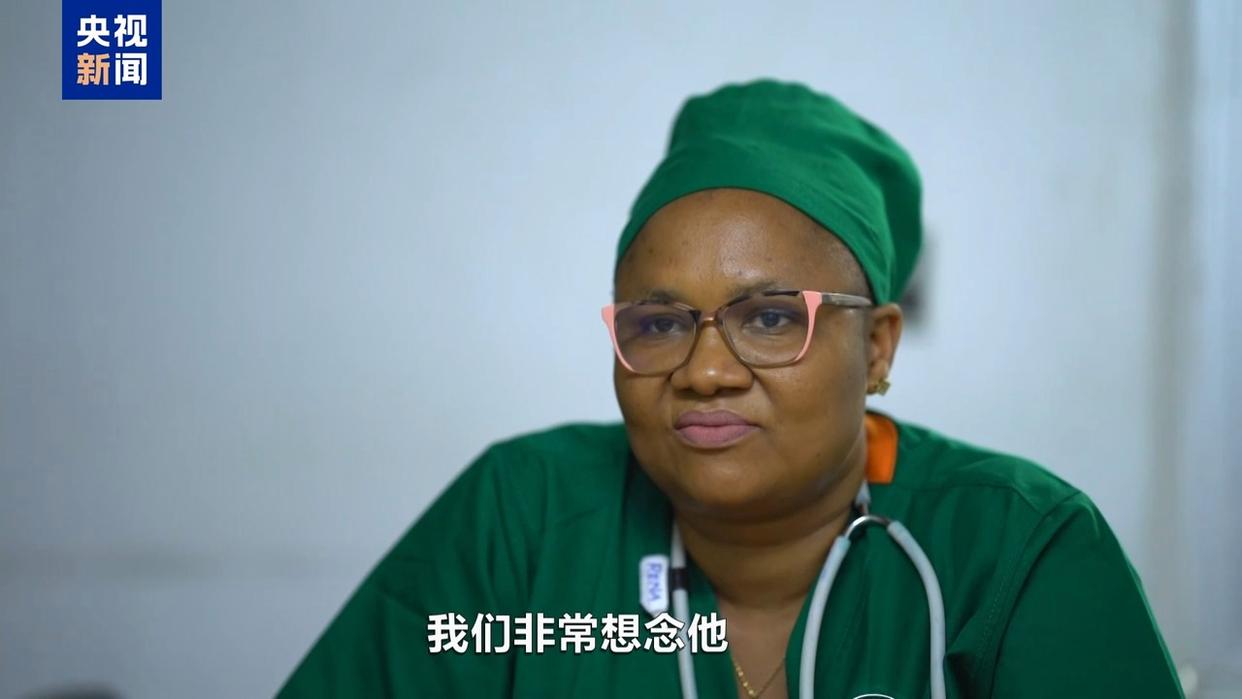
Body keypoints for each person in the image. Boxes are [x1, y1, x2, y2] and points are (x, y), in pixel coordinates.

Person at [278, 79, 1184, 698]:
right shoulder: (525, 519)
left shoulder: (1016, 546)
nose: (705, 371)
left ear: (875, 347)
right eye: (659, 323)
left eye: (771, 317)